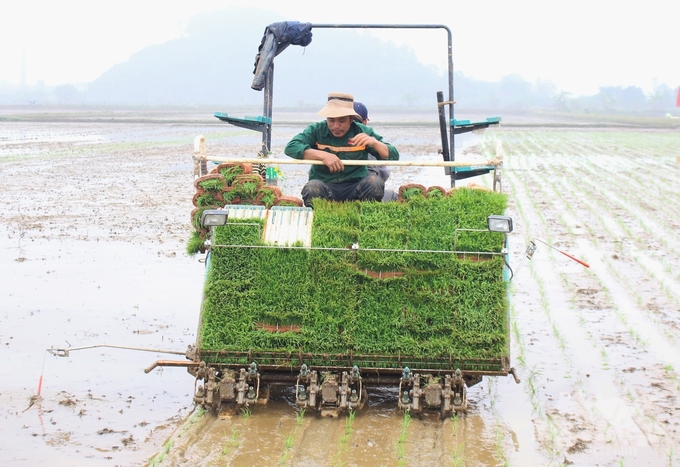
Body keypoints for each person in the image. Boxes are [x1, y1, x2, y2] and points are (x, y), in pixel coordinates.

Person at [285, 92, 399, 207]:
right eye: (331, 120)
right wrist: (323, 155)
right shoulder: (316, 130)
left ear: (351, 119)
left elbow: (393, 155)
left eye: (342, 121)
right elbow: (291, 147)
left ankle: (365, 217)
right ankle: (321, 219)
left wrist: (374, 142)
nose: (336, 126)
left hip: (355, 186)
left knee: (374, 183)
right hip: (325, 185)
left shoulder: (362, 131)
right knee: (312, 188)